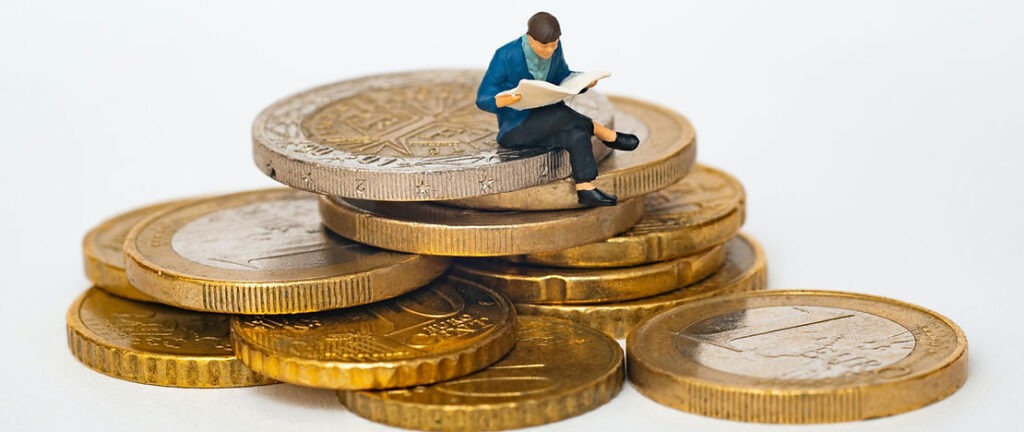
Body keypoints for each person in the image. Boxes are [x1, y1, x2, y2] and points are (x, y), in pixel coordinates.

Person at [476, 11, 640, 207]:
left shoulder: (555, 48)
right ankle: (608, 136)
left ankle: (585, 188)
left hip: (549, 121)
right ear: (530, 39)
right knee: (560, 114)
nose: (550, 50)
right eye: (544, 45)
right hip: (516, 128)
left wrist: (583, 82)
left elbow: (562, 75)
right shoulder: (505, 55)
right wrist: (503, 100)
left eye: (554, 44)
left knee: (577, 133)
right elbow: (482, 97)